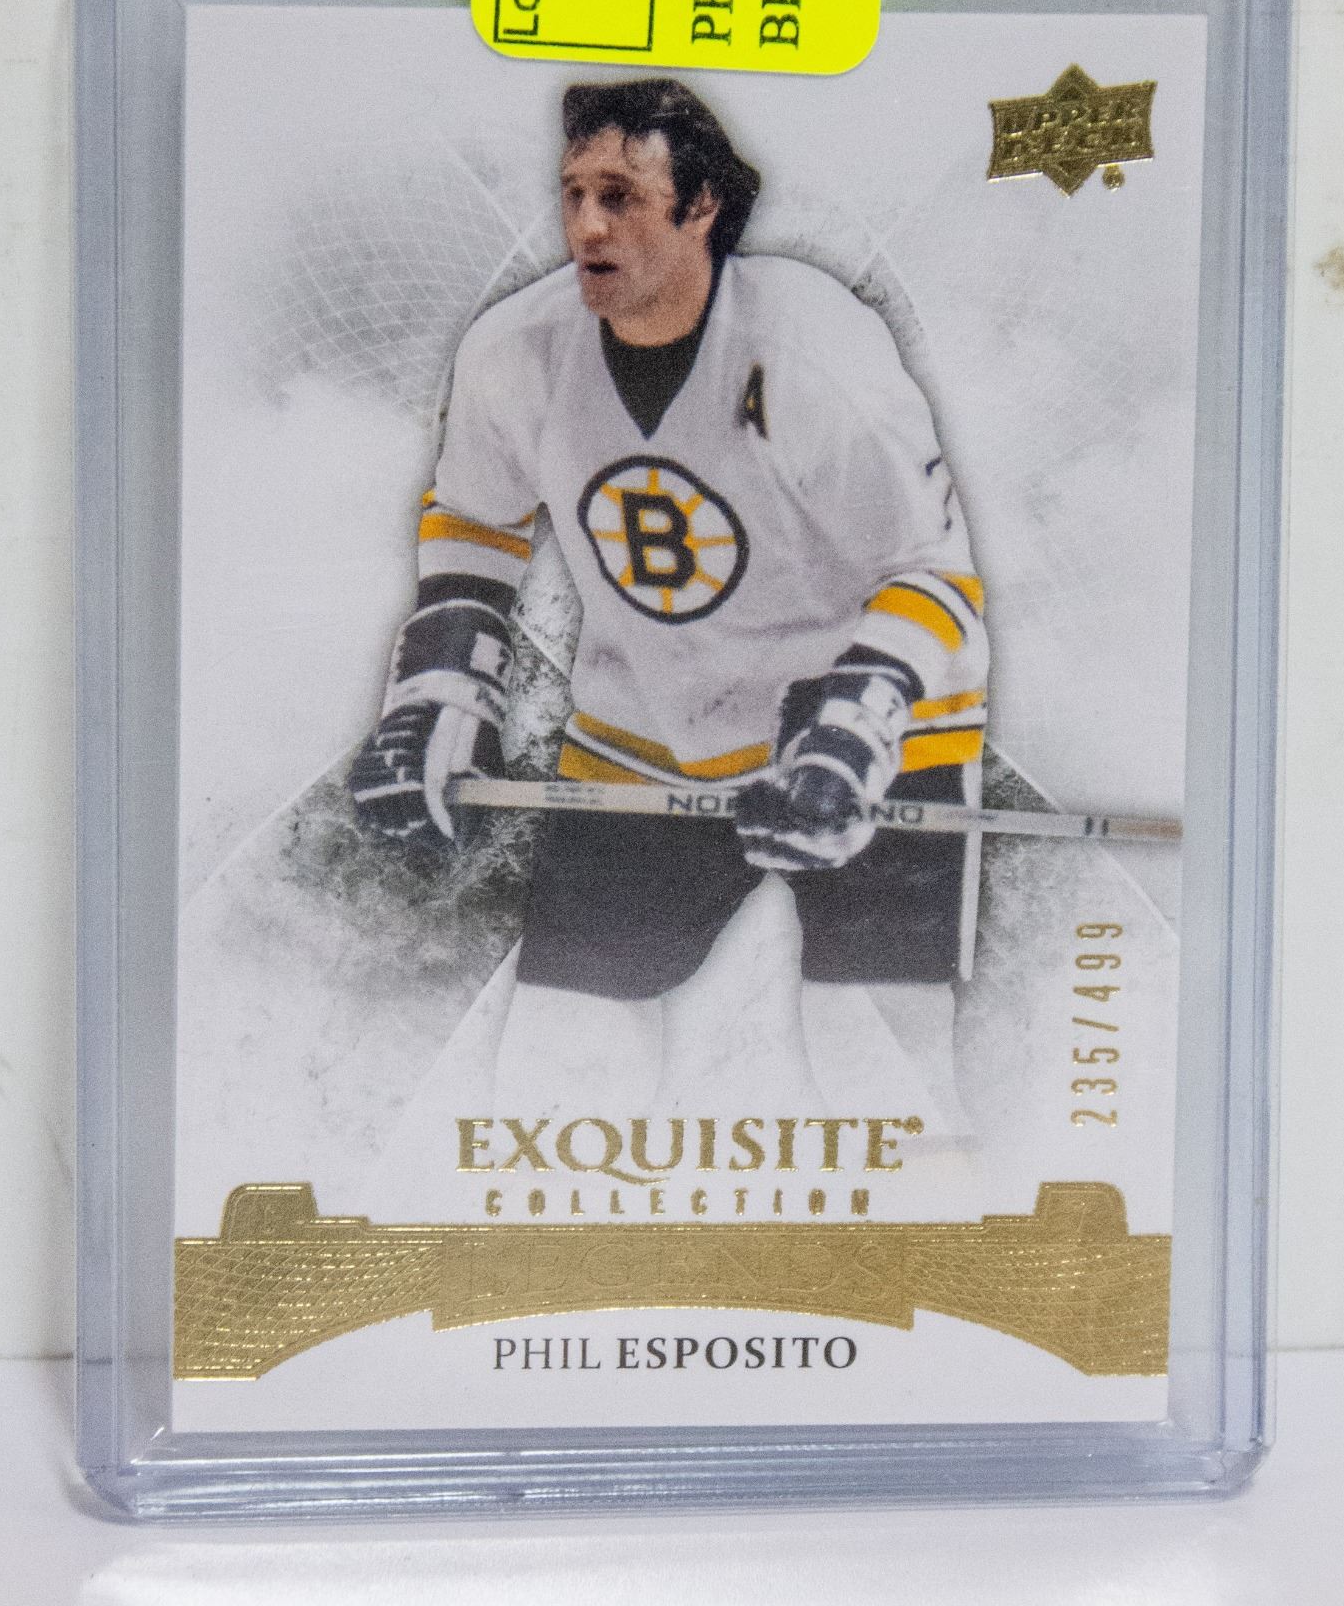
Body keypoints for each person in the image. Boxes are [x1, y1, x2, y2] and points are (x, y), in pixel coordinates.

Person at [349, 78, 988, 1124]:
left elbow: (930, 569)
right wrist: (436, 693)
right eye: (572, 193)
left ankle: (933, 1220)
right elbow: (473, 517)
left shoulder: (811, 349)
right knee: (558, 1066)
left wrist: (854, 729)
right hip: (645, 725)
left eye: (621, 196)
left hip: (872, 725)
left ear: (700, 208)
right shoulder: (517, 349)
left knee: (880, 1067)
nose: (586, 225)